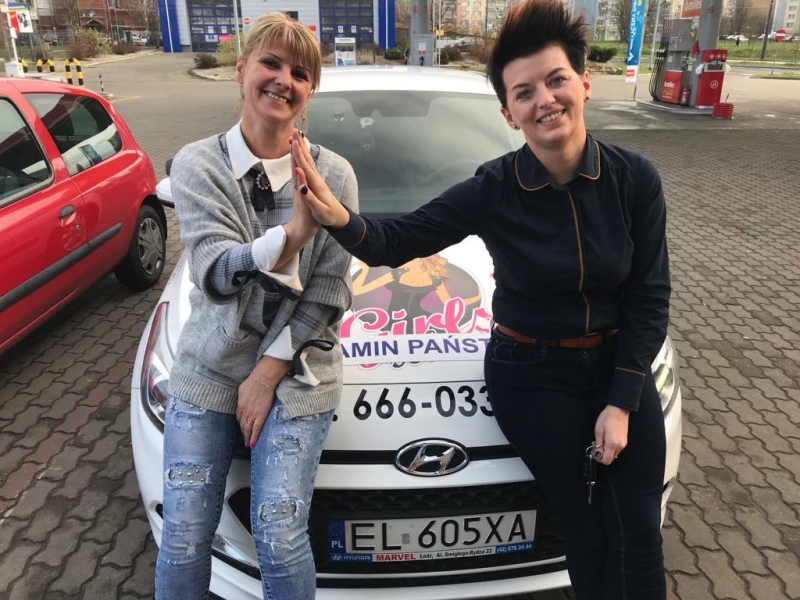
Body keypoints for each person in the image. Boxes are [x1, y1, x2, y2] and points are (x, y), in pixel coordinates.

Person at [290, 0, 671, 598]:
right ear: (508, 114)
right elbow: (397, 240)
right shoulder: (495, 187)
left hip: (618, 363)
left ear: (584, 84)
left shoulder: (635, 179)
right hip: (532, 375)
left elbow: (650, 296)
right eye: (524, 93)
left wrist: (621, 402)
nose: (544, 99)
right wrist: (337, 214)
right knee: (587, 528)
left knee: (639, 531)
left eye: (556, 80)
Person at [154, 12, 357, 600]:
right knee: (184, 534)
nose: (283, 80)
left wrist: (266, 374)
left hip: (299, 372)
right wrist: (293, 234)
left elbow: (329, 291)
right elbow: (217, 274)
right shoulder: (198, 164)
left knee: (279, 534)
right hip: (209, 370)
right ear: (241, 70)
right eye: (270, 63)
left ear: (310, 90)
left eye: (300, 73)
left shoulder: (335, 175)